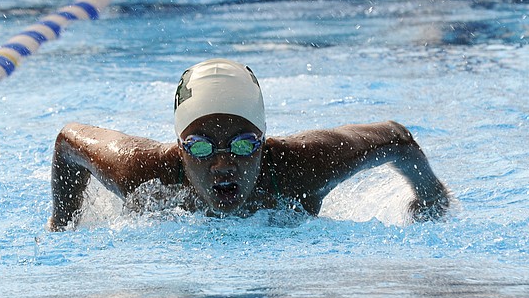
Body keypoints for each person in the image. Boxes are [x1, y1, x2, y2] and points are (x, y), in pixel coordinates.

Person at [48, 59, 450, 230]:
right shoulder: (142, 172)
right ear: (180, 146)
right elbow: (68, 138)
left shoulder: (302, 167)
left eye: (241, 145)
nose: (222, 164)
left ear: (262, 142)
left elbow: (395, 138)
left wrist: (431, 199)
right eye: (201, 147)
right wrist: (64, 222)